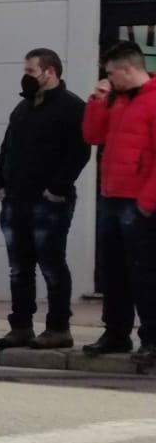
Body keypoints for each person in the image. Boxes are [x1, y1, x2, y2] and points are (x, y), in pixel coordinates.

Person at [0, 48, 90, 350]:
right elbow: (7, 147)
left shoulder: (72, 107)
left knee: (51, 264)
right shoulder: (23, 108)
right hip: (15, 199)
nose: (26, 76)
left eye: (31, 71)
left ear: (50, 71)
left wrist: (56, 189)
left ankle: (59, 327)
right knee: (19, 267)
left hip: (49, 203)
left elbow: (79, 152)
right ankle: (21, 326)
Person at [82, 41, 156, 362]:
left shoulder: (152, 101)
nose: (108, 78)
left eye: (111, 73)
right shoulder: (118, 101)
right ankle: (116, 333)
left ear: (128, 69)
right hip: (112, 196)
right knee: (114, 271)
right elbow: (92, 136)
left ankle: (151, 338)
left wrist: (148, 199)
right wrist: (97, 102)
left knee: (145, 272)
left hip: (138, 200)